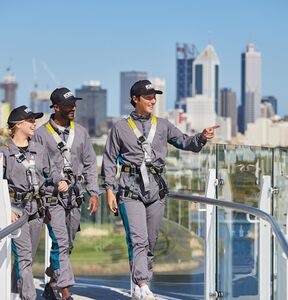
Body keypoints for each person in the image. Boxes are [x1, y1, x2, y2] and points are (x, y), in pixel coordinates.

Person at [101, 79, 219, 300]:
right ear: (135, 99)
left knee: (151, 242)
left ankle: (140, 285)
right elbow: (108, 160)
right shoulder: (120, 127)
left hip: (157, 191)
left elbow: (185, 142)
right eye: (148, 97)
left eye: (154, 97)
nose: (153, 100)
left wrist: (202, 137)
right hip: (130, 191)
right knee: (138, 239)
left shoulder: (163, 125)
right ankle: (143, 284)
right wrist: (109, 189)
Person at [33, 87, 99, 300]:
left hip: (76, 197)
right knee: (60, 242)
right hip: (52, 199)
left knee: (67, 244)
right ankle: (65, 291)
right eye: (69, 105)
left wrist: (94, 192)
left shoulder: (81, 132)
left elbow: (90, 164)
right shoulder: (41, 135)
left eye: (74, 104)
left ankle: (52, 281)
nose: (74, 108)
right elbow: (37, 168)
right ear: (56, 107)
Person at [0, 105, 69, 300]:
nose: (34, 123)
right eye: (30, 120)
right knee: (23, 257)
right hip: (16, 213)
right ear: (18, 124)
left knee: (27, 259)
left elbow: (52, 171)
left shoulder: (39, 149)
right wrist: (7, 211)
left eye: (34, 120)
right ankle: (29, 298)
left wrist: (60, 181)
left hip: (37, 211)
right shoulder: (4, 153)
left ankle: (14, 294)